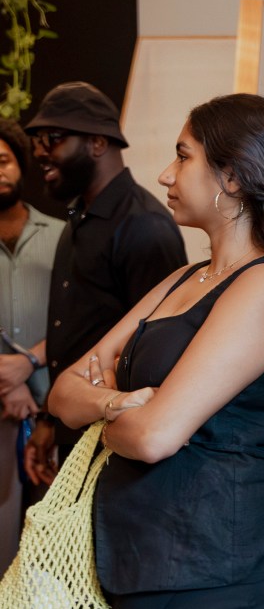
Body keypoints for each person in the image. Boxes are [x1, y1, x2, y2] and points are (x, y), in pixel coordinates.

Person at [46, 93, 264, 609]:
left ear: (231, 178)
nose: (166, 175)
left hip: (211, 566)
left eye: (183, 156)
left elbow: (154, 437)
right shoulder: (184, 279)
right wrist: (117, 402)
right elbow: (62, 391)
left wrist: (110, 414)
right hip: (137, 556)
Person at [23, 82, 187, 484]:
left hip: (119, 447)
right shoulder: (78, 220)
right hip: (75, 431)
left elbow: (162, 356)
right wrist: (49, 420)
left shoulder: (144, 227)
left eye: (52, 139)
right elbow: (71, 333)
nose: (40, 151)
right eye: (36, 140)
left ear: (97, 143)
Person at [0, 119, 63, 569]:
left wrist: (27, 365)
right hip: (3, 408)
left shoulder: (63, 235)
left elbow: (81, 319)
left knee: (50, 535)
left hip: (54, 407)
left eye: (2, 161)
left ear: (20, 163)